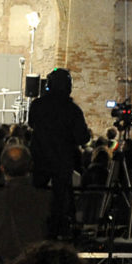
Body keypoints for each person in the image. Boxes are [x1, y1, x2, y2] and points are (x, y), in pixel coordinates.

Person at [28, 68, 89, 239]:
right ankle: (58, 231)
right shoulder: (73, 110)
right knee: (61, 202)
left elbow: (31, 123)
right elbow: (82, 137)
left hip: (39, 159)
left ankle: (33, 226)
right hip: (62, 162)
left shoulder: (38, 105)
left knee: (37, 195)